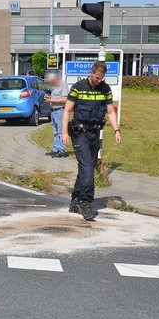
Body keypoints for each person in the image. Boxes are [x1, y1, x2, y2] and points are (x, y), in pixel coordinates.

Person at [61, 61, 121, 221]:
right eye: (97, 77)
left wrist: (116, 130)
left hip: (95, 133)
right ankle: (86, 203)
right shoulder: (78, 87)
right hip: (79, 133)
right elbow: (67, 110)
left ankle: (75, 200)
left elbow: (110, 112)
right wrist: (64, 132)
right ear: (91, 72)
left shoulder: (105, 89)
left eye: (101, 78)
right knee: (87, 167)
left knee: (88, 168)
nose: (99, 81)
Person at [43, 70, 68, 158]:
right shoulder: (54, 86)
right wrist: (49, 97)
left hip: (60, 111)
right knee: (55, 132)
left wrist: (51, 100)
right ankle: (55, 149)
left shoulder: (63, 84)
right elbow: (56, 97)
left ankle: (61, 150)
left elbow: (64, 99)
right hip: (53, 111)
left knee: (61, 132)